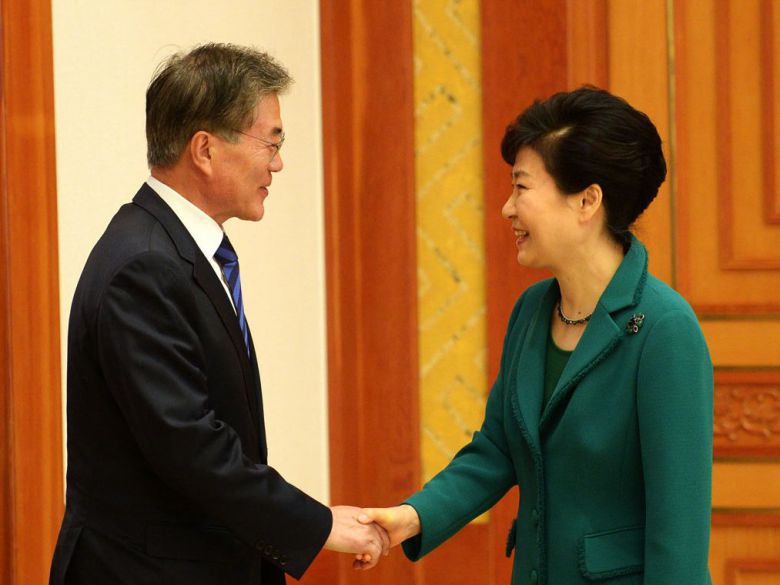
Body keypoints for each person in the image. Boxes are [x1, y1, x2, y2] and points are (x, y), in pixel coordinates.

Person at [49, 43, 388, 585]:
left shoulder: (172, 248)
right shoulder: (145, 266)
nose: (278, 163)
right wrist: (318, 524)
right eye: (271, 142)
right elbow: (191, 446)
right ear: (205, 149)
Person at [359, 87, 714, 585]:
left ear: (587, 200)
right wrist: (413, 516)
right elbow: (497, 449)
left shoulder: (664, 329)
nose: (507, 209)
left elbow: (679, 535)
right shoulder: (531, 310)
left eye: (521, 187)